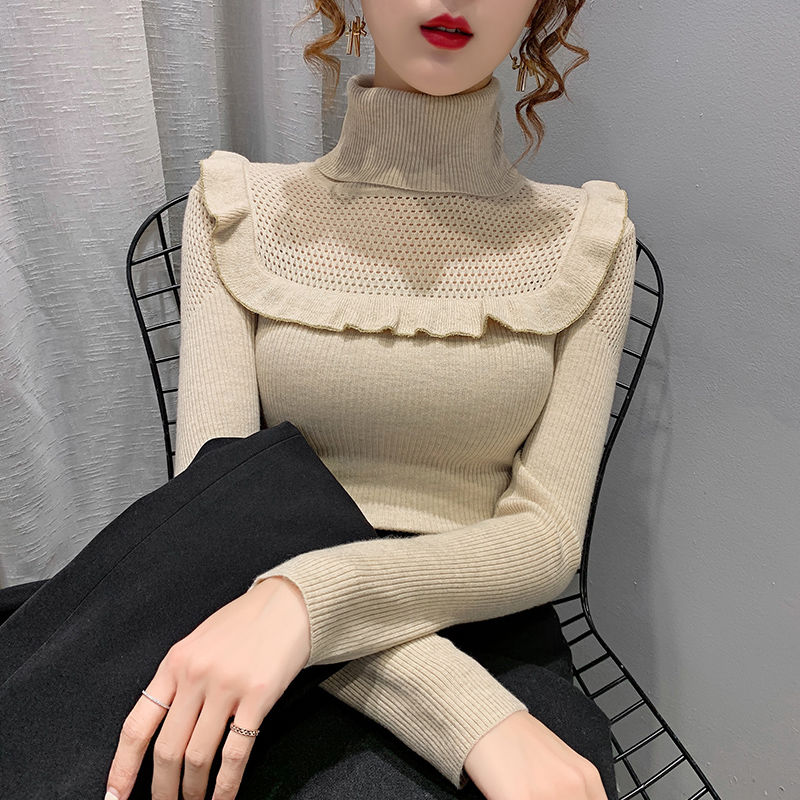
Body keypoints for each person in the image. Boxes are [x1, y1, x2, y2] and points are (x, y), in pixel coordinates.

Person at [0, 2, 635, 799]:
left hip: (476, 616)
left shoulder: (589, 239)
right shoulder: (237, 209)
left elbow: (547, 538)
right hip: (240, 600)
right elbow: (217, 506)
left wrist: (308, 605)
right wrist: (467, 715)